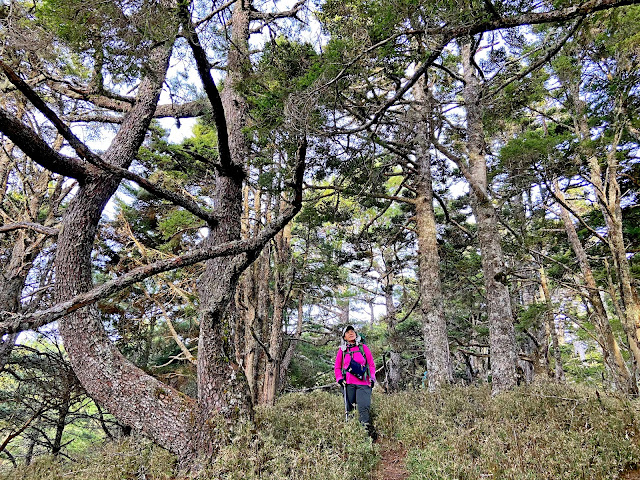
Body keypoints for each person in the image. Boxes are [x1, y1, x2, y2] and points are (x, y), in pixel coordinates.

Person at [334, 325, 376, 438]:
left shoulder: (363, 348)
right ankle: (352, 436)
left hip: (364, 384)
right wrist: (339, 379)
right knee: (350, 410)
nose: (350, 333)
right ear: (344, 337)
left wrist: (372, 378)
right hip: (348, 384)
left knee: (364, 409)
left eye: (352, 331)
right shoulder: (342, 351)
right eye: (347, 332)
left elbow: (371, 365)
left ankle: (365, 436)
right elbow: (337, 367)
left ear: (356, 334)